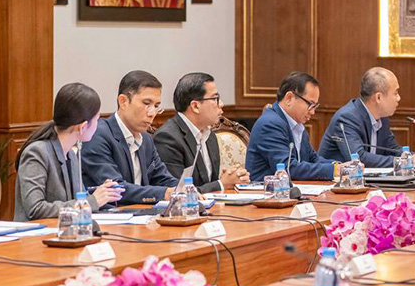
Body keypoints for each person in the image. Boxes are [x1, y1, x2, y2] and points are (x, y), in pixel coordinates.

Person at [14, 83, 123, 220]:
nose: (98, 124)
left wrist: (103, 193)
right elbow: (35, 209)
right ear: (83, 127)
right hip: (39, 232)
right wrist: (92, 201)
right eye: (97, 119)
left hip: (68, 230)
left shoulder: (71, 154)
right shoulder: (36, 152)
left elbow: (76, 200)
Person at [82, 70, 179, 205]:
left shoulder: (146, 139)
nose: (152, 113)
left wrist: (182, 190)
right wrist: (164, 193)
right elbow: (115, 189)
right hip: (110, 214)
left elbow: (163, 179)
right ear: (123, 101)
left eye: (156, 106)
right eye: (147, 104)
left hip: (141, 213)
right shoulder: (98, 135)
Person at [318, 67, 415, 169]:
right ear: (378, 97)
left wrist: (414, 156)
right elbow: (358, 158)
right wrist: (403, 162)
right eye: (396, 93)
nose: (399, 98)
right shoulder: (347, 118)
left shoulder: (382, 118)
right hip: (335, 183)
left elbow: (392, 148)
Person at [154, 72, 249, 193]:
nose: (221, 104)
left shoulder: (209, 136)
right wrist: (221, 184)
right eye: (215, 98)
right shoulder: (167, 138)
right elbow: (178, 192)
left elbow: (207, 185)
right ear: (195, 106)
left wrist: (230, 178)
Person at [245, 72, 339, 182]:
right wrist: (333, 170)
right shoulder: (269, 124)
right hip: (265, 191)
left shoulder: (296, 124)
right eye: (310, 105)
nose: (313, 112)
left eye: (315, 106)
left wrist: (338, 166)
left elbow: (313, 158)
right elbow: (288, 168)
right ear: (289, 98)